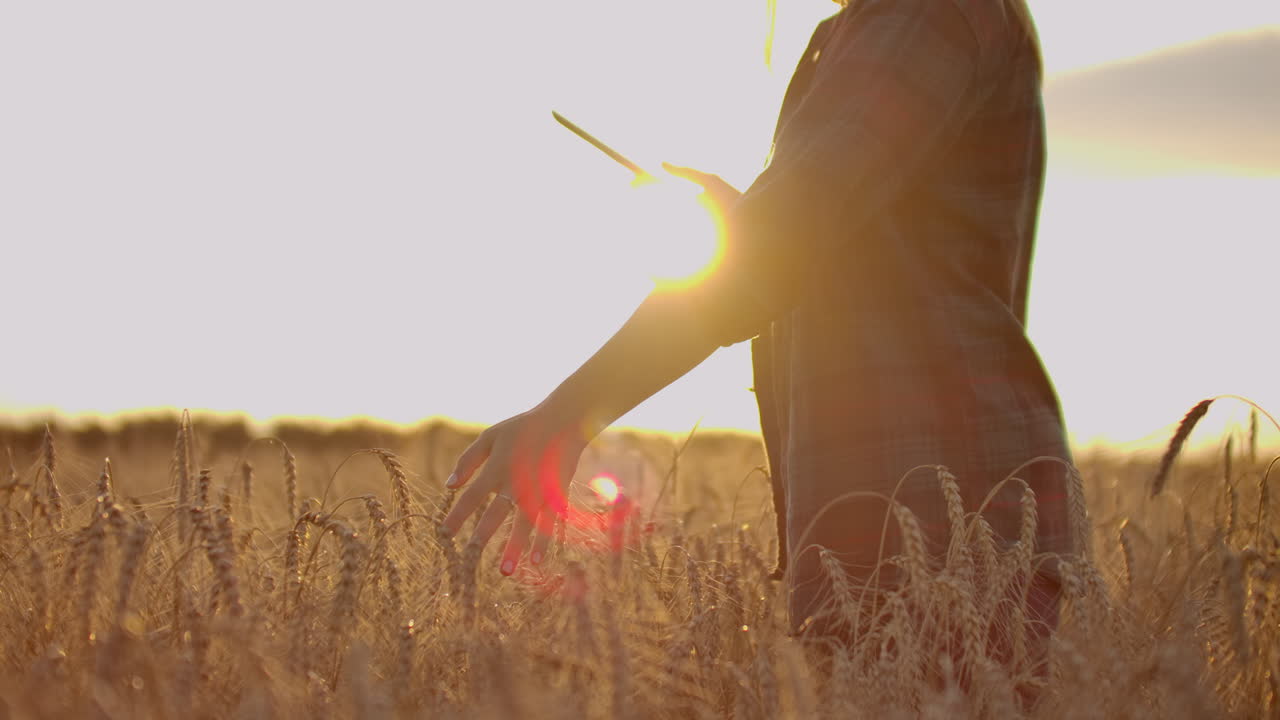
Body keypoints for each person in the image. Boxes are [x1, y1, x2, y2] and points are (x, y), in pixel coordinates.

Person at [440, 0, 1072, 657]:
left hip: (942, 503)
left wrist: (563, 416)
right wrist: (748, 222)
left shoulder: (924, 15)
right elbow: (845, 244)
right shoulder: (858, 32)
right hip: (874, 496)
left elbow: (777, 251)